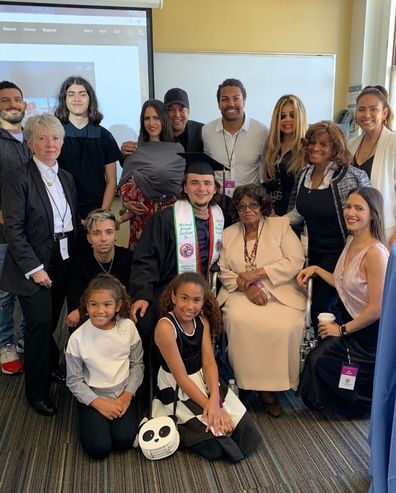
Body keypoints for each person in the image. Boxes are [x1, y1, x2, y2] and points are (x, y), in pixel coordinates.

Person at [0, 114, 80, 416]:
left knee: (49, 324)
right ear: (31, 143)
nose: (50, 144)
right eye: (43, 138)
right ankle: (36, 392)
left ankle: (49, 364)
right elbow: (14, 230)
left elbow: (69, 223)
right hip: (30, 267)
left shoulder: (66, 177)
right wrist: (35, 268)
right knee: (39, 325)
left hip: (61, 261)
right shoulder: (18, 178)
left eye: (56, 138)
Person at [130, 153, 226, 375]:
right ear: (184, 187)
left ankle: (215, 376)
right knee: (145, 323)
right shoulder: (165, 219)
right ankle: (154, 382)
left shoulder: (223, 216)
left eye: (207, 183)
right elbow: (146, 258)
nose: (201, 188)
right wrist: (143, 294)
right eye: (194, 183)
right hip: (169, 288)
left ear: (214, 188)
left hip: (210, 289)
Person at [296, 187, 388, 418]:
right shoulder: (351, 240)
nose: (350, 212)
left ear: (373, 214)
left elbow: (376, 309)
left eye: (359, 208)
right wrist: (317, 269)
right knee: (317, 361)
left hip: (371, 336)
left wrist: (341, 330)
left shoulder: (375, 253)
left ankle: (369, 406)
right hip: (353, 324)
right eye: (348, 206)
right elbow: (345, 283)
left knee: (320, 361)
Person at [151, 272, 261, 461]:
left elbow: (209, 363)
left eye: (196, 300)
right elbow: (181, 377)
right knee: (217, 445)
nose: (190, 306)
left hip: (204, 378)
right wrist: (212, 408)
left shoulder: (202, 321)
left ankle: (212, 413)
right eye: (184, 298)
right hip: (178, 385)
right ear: (173, 297)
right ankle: (179, 424)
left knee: (246, 434)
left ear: (203, 302)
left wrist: (216, 400)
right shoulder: (165, 328)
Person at [217, 184, 306, 417]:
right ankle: (250, 384)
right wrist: (247, 287)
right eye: (242, 206)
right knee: (238, 318)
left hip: (280, 290)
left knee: (286, 325)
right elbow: (223, 269)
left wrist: (256, 275)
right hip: (239, 292)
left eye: (253, 205)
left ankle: (272, 388)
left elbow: (295, 260)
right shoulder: (228, 234)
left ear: (262, 206)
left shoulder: (280, 226)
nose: (248, 210)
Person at [287, 121, 371, 329]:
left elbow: (370, 214)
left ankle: (327, 355)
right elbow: (297, 213)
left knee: (323, 310)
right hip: (309, 252)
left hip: (340, 253)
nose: (316, 148)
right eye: (312, 142)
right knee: (305, 309)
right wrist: (268, 224)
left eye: (324, 144)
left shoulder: (353, 176)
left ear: (336, 148)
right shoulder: (303, 174)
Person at [66, 274, 144, 459]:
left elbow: (137, 365)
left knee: (124, 440)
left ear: (117, 306)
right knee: (98, 449)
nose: (100, 310)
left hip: (122, 394)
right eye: (93, 304)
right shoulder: (76, 338)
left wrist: (127, 396)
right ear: (86, 305)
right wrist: (98, 403)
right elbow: (74, 381)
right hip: (93, 396)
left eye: (107, 305)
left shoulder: (128, 328)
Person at [118, 99, 185, 250]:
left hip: (169, 216)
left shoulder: (177, 148)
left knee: (168, 258)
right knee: (142, 262)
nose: (151, 123)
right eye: (147, 118)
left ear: (163, 119)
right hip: (141, 217)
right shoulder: (134, 149)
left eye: (156, 118)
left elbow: (177, 185)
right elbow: (124, 183)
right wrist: (127, 202)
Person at [54, 76, 122, 220]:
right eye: (71, 94)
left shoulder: (104, 136)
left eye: (82, 94)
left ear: (90, 98)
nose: (76, 98)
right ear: (64, 99)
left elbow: (111, 181)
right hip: (63, 213)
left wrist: (101, 215)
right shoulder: (55, 135)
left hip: (97, 213)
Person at [0, 81, 30, 374]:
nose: (12, 103)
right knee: (4, 292)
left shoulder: (31, 138)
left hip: (31, 232)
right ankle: (4, 343)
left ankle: (22, 338)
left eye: (17, 99)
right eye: (5, 99)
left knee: (27, 288)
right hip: (3, 233)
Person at [66, 209, 133, 329]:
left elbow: (133, 294)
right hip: (92, 313)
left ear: (116, 235)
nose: (103, 238)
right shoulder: (78, 263)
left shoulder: (128, 258)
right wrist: (80, 311)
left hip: (122, 312)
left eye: (109, 232)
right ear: (89, 238)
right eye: (96, 233)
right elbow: (75, 299)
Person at [202, 78, 268, 196]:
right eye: (225, 99)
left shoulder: (261, 131)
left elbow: (267, 172)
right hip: (217, 201)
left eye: (236, 98)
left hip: (250, 204)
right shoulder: (207, 131)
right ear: (218, 104)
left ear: (244, 101)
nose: (231, 104)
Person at [348, 85, 396, 245]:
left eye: (373, 109)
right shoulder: (351, 145)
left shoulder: (393, 144)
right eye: (361, 109)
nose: (366, 115)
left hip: (385, 233)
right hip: (356, 232)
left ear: (384, 113)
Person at [120, 87, 204, 157]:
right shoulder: (155, 132)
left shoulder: (202, 131)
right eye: (171, 110)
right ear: (163, 113)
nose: (177, 115)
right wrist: (124, 154)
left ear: (188, 112)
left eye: (182, 109)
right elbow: (138, 161)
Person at [262, 95, 308, 215]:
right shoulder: (271, 146)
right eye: (282, 116)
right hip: (270, 212)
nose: (287, 119)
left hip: (296, 214)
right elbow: (268, 182)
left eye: (293, 115)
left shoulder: (307, 147)